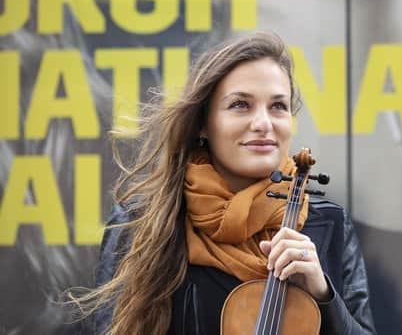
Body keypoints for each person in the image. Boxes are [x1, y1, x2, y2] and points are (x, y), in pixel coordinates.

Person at [74, 31, 376, 334]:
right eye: (240, 105)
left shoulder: (328, 224)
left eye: (278, 106)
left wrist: (324, 296)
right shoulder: (141, 221)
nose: (263, 123)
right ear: (204, 124)